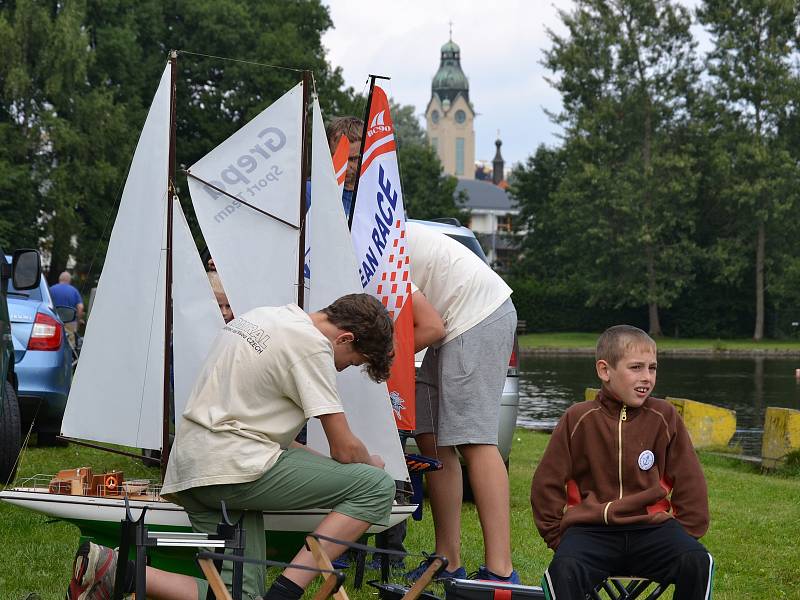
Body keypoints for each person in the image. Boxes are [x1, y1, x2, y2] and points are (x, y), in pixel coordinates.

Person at [66, 293, 397, 600]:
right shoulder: (312, 346)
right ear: (345, 339)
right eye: (351, 362)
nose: (342, 368)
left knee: (239, 593)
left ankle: (116, 569)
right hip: (235, 468)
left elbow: (275, 440)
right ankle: (285, 593)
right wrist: (370, 464)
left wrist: (326, 468)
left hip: (194, 467)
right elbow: (344, 448)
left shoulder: (264, 317)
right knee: (377, 487)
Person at [531, 325, 714, 599]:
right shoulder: (577, 418)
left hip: (651, 530)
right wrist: (556, 536)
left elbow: (690, 478)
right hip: (590, 531)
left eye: (652, 368)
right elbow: (546, 482)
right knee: (564, 569)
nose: (647, 378)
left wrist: (686, 533)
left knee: (698, 561)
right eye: (636, 367)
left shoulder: (664, 416)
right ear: (605, 371)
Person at [404, 220, 518, 583]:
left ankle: (501, 571)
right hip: (455, 321)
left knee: (473, 440)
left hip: (477, 316)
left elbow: (431, 327)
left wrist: (384, 363)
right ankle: (446, 561)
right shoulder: (358, 238)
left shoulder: (370, 250)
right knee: (430, 436)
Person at [325, 116, 362, 216]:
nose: (345, 167)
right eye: (339, 157)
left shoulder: (379, 196)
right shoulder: (309, 194)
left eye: (353, 159)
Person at [49, 271, 84, 347]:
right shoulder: (74, 291)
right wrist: (78, 322)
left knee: (52, 345)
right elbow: (80, 307)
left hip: (53, 322)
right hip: (70, 324)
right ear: (69, 280)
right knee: (70, 346)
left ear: (59, 279)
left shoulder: (50, 289)